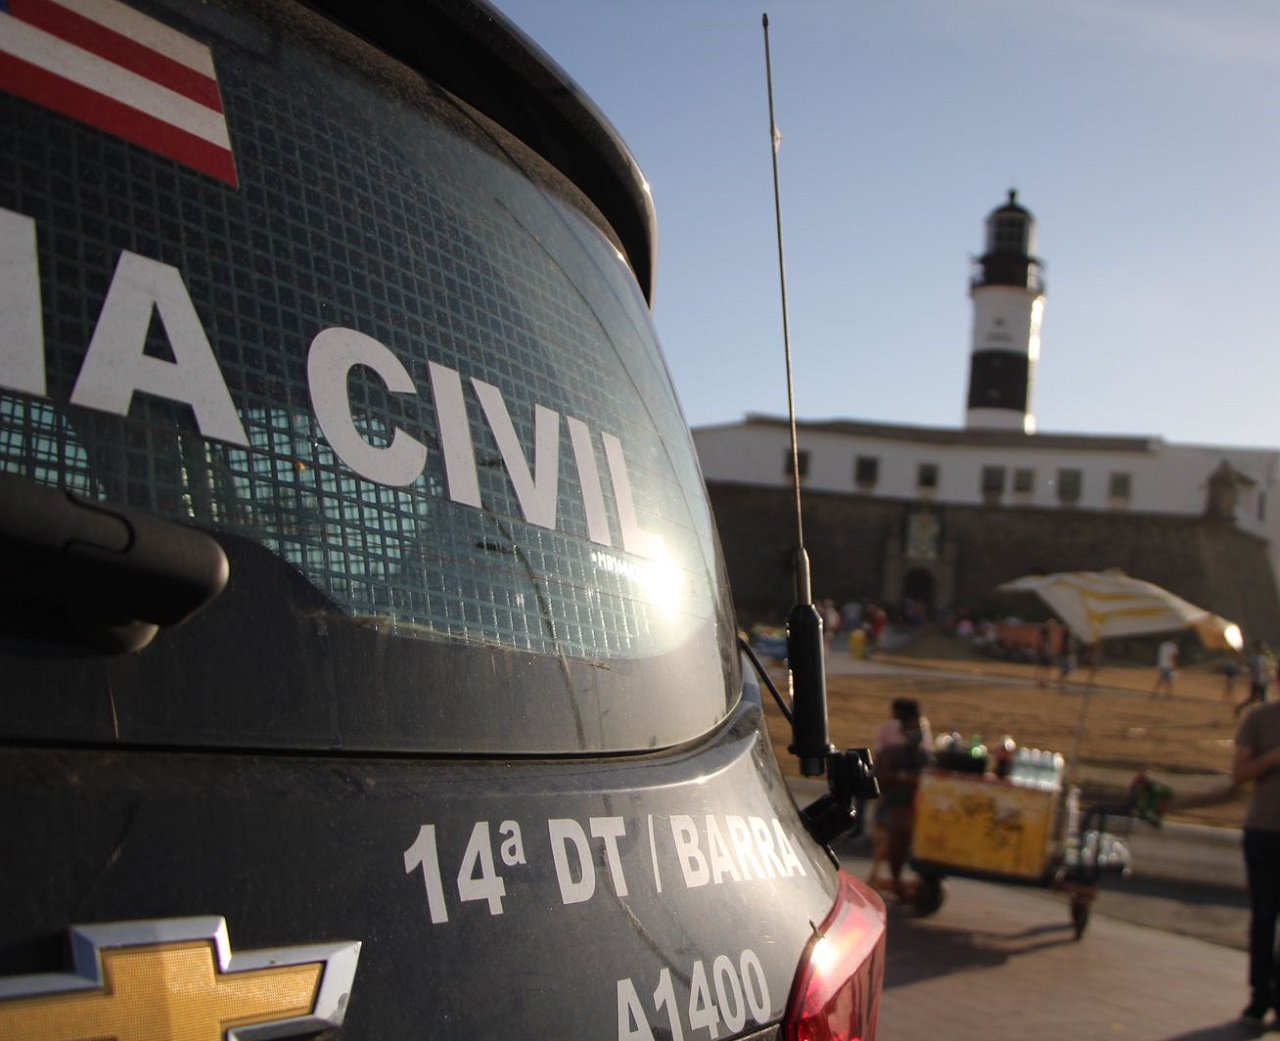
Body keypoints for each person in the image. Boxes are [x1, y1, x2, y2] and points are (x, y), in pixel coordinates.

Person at [1233, 695, 1280, 1024]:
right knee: (1264, 917)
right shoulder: (1259, 719)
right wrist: (1274, 758)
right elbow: (1239, 773)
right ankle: (1259, 995)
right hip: (1264, 831)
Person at [869, 698, 931, 899]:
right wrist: (905, 778)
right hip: (894, 803)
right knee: (901, 829)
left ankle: (924, 880)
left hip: (918, 803)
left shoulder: (922, 740)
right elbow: (881, 775)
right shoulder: (891, 741)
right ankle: (896, 881)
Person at [1239, 641, 1274, 718]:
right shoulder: (1253, 658)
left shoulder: (1264, 658)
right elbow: (1247, 665)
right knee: (1254, 699)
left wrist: (1268, 679)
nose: (1263, 649)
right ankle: (1239, 708)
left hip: (1262, 682)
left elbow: (1266, 670)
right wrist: (1243, 658)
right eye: (1261, 647)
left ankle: (1265, 716)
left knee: (1263, 700)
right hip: (1256, 682)